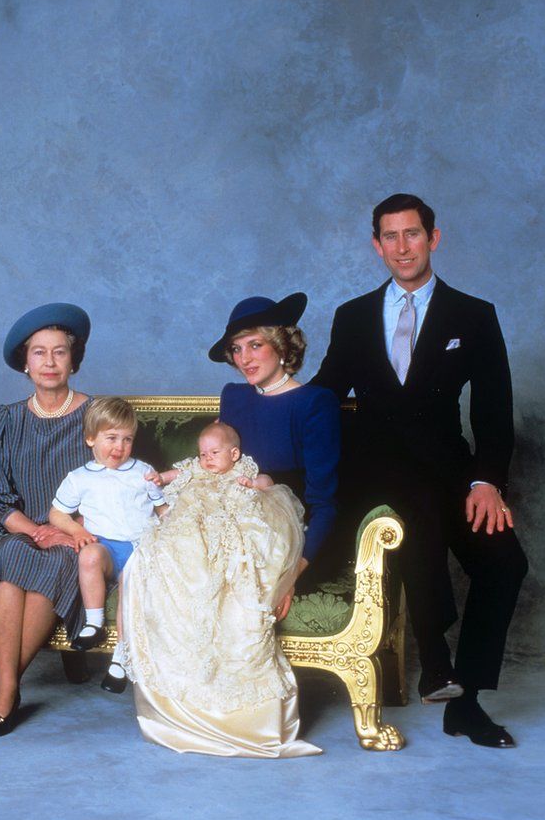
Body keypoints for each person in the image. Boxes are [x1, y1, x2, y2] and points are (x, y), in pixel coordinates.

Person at [312, 193, 528, 748]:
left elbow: (493, 411)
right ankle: (435, 659)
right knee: (412, 504)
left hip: (448, 469)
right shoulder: (353, 316)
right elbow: (324, 396)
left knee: (504, 562)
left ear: (434, 238)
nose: (402, 247)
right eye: (390, 236)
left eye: (412, 234)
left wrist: (486, 482)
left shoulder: (474, 315)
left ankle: (465, 699)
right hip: (373, 473)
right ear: (376, 245)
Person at [120, 424, 320, 758]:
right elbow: (175, 472)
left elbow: (269, 486)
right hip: (194, 519)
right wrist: (160, 479)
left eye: (214, 453)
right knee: (175, 547)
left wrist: (254, 484)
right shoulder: (195, 469)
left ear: (234, 454)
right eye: (203, 453)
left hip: (230, 519)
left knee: (235, 556)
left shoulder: (245, 470)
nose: (207, 459)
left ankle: (246, 716)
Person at [0, 302, 93, 737]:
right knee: (10, 557)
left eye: (59, 352)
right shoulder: (7, 419)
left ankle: (2, 689)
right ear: (25, 363)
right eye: (39, 353)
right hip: (24, 528)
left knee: (54, 563)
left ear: (73, 359)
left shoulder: (100, 413)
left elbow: (118, 485)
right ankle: (10, 687)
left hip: (78, 535)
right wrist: (35, 530)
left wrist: (65, 531)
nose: (49, 363)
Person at [210, 293, 340, 616]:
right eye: (237, 349)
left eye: (255, 345)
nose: (244, 359)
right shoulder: (234, 397)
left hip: (294, 541)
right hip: (234, 532)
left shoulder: (314, 402)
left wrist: (290, 574)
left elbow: (325, 505)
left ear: (281, 347)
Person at [48, 397, 168, 694]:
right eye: (111, 438)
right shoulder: (79, 478)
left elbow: (163, 510)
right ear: (91, 438)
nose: (119, 447)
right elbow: (56, 514)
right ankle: (94, 622)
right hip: (106, 548)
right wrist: (76, 531)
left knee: (131, 580)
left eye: (127, 440)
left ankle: (120, 659)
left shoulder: (143, 472)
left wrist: (174, 532)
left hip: (140, 548)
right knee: (88, 555)